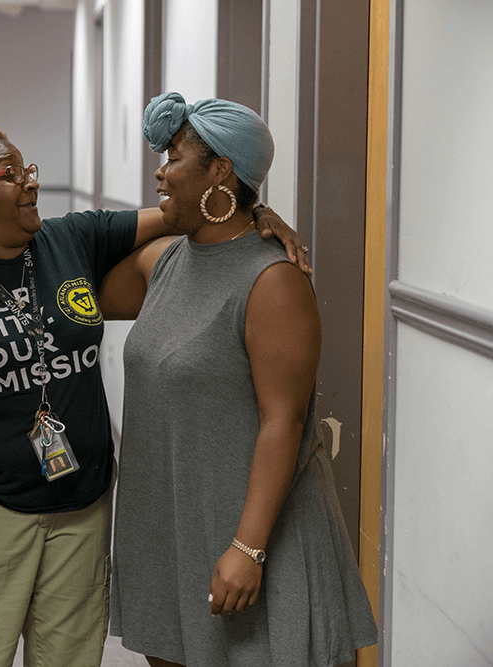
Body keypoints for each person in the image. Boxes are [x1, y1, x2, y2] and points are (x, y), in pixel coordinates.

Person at [0, 124, 307, 667]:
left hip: (83, 502)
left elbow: (185, 211)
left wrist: (255, 213)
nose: (29, 184)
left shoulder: (73, 238)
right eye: (10, 175)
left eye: (30, 170)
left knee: (69, 658)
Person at [102, 92, 378, 667]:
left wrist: (247, 549)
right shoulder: (166, 262)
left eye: (174, 157)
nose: (160, 169)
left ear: (220, 170)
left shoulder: (272, 279)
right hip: (172, 523)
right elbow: (66, 285)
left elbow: (285, 421)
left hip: (248, 534)